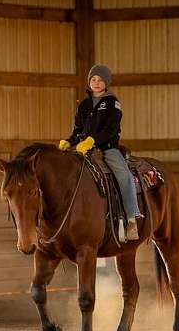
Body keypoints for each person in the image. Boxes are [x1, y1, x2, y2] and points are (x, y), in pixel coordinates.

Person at [59, 64, 142, 241]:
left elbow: (111, 129)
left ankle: (131, 218)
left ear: (107, 82)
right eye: (93, 79)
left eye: (100, 80)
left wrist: (93, 140)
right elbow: (78, 130)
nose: (96, 83)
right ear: (89, 82)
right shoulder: (84, 105)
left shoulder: (112, 102)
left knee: (123, 175)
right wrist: (69, 141)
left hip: (107, 148)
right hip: (84, 149)